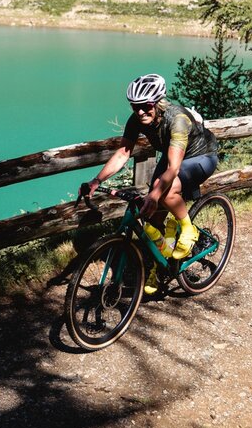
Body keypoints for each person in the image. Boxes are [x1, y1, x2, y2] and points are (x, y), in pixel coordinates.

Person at [80, 74, 219, 293]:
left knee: (165, 192)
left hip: (201, 155)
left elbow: (173, 168)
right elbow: (123, 154)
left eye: (145, 106)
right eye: (135, 106)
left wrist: (156, 194)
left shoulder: (177, 120)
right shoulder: (136, 119)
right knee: (152, 218)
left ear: (157, 103)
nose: (140, 111)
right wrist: (96, 181)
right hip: (174, 155)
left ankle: (188, 229)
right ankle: (160, 266)